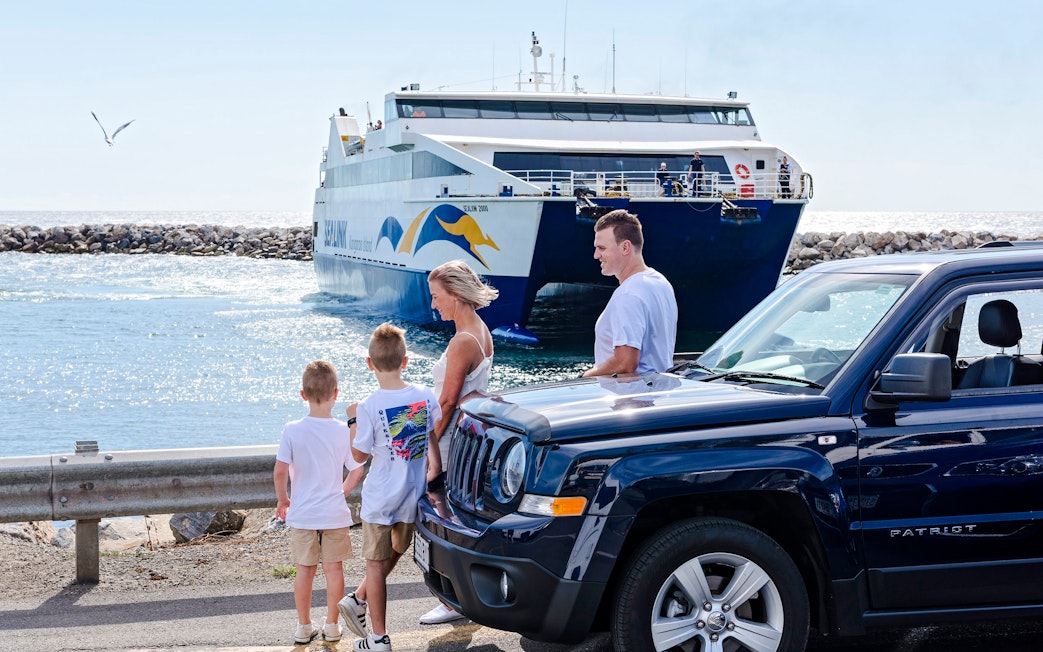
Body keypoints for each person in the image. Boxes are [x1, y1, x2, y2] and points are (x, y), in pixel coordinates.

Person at [338, 323, 441, 652]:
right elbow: (432, 433)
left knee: (375, 565)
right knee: (392, 555)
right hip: (411, 496)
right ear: (405, 360)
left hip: (380, 499)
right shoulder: (425, 395)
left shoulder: (368, 406)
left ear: (370, 364)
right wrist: (435, 464)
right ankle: (357, 600)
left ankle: (379, 637)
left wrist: (352, 420)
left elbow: (358, 454)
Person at [418, 259, 498, 625]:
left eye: (437, 296)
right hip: (464, 438)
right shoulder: (480, 330)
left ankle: (453, 601)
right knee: (453, 518)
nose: (434, 304)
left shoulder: (464, 340)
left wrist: (427, 446)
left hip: (449, 442)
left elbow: (447, 401)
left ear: (455, 294)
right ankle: (456, 598)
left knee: (441, 519)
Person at [274, 360, 365, 645]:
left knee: (304, 570)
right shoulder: (341, 430)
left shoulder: (292, 429)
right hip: (333, 513)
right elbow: (357, 467)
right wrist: (343, 490)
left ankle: (303, 626)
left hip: (303, 514)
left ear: (303, 395)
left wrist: (283, 499)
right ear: (335, 393)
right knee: (334, 569)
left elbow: (279, 471)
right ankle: (332, 625)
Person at [582, 210, 678, 378]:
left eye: (602, 248)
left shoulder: (628, 294)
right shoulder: (661, 283)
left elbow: (625, 363)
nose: (596, 255)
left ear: (625, 247)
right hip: (659, 394)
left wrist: (584, 378)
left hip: (630, 399)